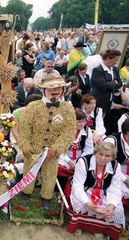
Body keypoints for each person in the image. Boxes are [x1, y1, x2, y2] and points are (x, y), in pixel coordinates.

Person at [18, 76, 76, 210]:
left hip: (52, 151)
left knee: (50, 174)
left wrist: (56, 149)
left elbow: (68, 132)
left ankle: (47, 197)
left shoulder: (67, 109)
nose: (55, 91)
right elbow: (25, 128)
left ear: (63, 89)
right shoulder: (33, 107)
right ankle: (26, 193)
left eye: (58, 88)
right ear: (44, 89)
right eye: (51, 88)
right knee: (28, 172)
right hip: (33, 148)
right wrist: (25, 146)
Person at [67, 142, 125, 240]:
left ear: (112, 157)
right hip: (84, 188)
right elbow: (78, 186)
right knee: (81, 203)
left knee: (116, 208)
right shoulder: (84, 161)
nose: (103, 158)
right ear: (95, 153)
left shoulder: (115, 166)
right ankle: (80, 225)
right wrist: (88, 203)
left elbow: (115, 188)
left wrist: (111, 205)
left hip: (103, 191)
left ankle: (99, 228)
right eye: (100, 154)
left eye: (107, 156)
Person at [57, 109, 93, 190]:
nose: (82, 124)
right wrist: (70, 162)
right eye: (79, 122)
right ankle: (60, 189)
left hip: (80, 159)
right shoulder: (63, 131)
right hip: (64, 159)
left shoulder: (87, 131)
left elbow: (89, 149)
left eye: (84, 121)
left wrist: (79, 161)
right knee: (59, 169)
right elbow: (60, 150)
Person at [90, 50, 123, 116]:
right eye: (115, 60)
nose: (115, 63)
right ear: (108, 58)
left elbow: (120, 83)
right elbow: (103, 85)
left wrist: (111, 84)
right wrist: (114, 83)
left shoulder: (115, 69)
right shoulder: (98, 70)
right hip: (99, 99)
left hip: (109, 100)